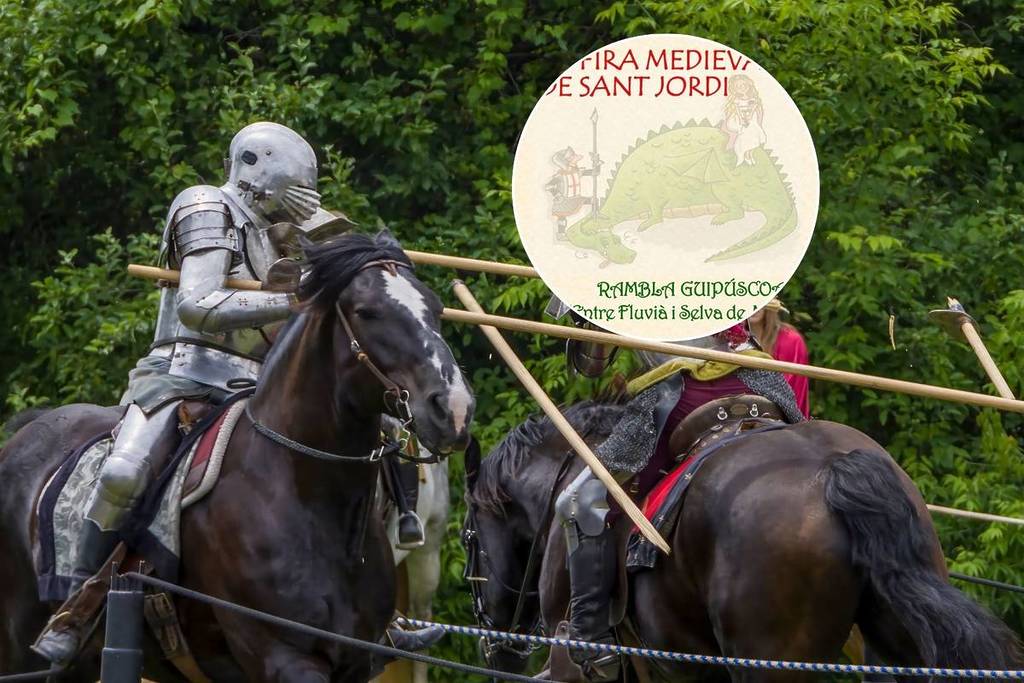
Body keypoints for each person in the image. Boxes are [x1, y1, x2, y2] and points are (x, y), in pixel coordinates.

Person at [32, 121, 435, 665]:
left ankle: (373, 615)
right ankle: (79, 603)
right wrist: (295, 301)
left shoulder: (284, 235)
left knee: (381, 453)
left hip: (260, 381)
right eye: (296, 185)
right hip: (184, 373)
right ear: (255, 169)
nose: (304, 197)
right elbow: (198, 304)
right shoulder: (206, 205)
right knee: (126, 469)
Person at [541, 319, 805, 682]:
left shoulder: (632, 280)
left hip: (680, 392)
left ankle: (591, 638)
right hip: (760, 383)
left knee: (578, 501)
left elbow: (589, 366)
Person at [748, 298, 810, 418]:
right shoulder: (728, 339)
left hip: (780, 416)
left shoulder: (790, 340)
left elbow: (793, 389)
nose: (753, 308)